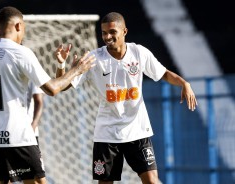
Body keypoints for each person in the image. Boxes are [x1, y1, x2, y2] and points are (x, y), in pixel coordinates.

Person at [56, 12, 198, 184]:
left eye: (112, 32)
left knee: (152, 181)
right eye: (103, 33)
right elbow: (62, 86)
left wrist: (184, 83)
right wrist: (62, 65)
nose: (107, 37)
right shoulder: (94, 59)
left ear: (124, 31)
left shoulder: (139, 53)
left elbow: (164, 74)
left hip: (137, 130)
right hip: (107, 134)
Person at [0, 6, 95, 184]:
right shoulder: (21, 52)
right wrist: (76, 70)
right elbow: (52, 89)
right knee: (37, 182)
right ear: (18, 26)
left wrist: (61, 68)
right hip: (17, 135)